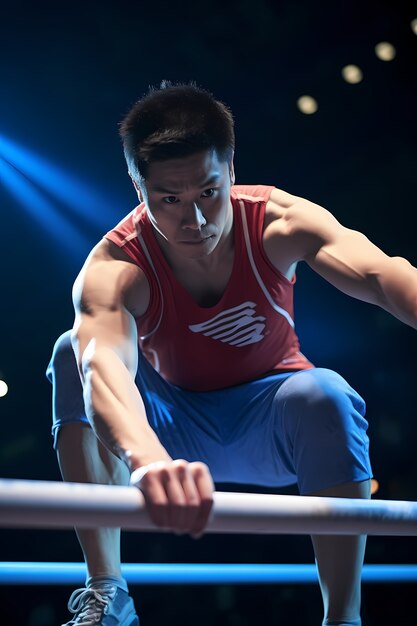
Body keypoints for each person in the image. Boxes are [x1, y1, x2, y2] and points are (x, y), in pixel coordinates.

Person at [47, 81, 417, 626]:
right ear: (137, 186)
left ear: (231, 169)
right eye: (169, 201)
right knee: (70, 350)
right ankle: (108, 590)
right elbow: (103, 373)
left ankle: (343, 617)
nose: (193, 222)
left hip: (274, 420)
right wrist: (148, 461)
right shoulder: (113, 267)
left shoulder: (280, 222)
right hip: (169, 432)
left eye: (207, 193)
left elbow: (384, 276)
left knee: (327, 393)